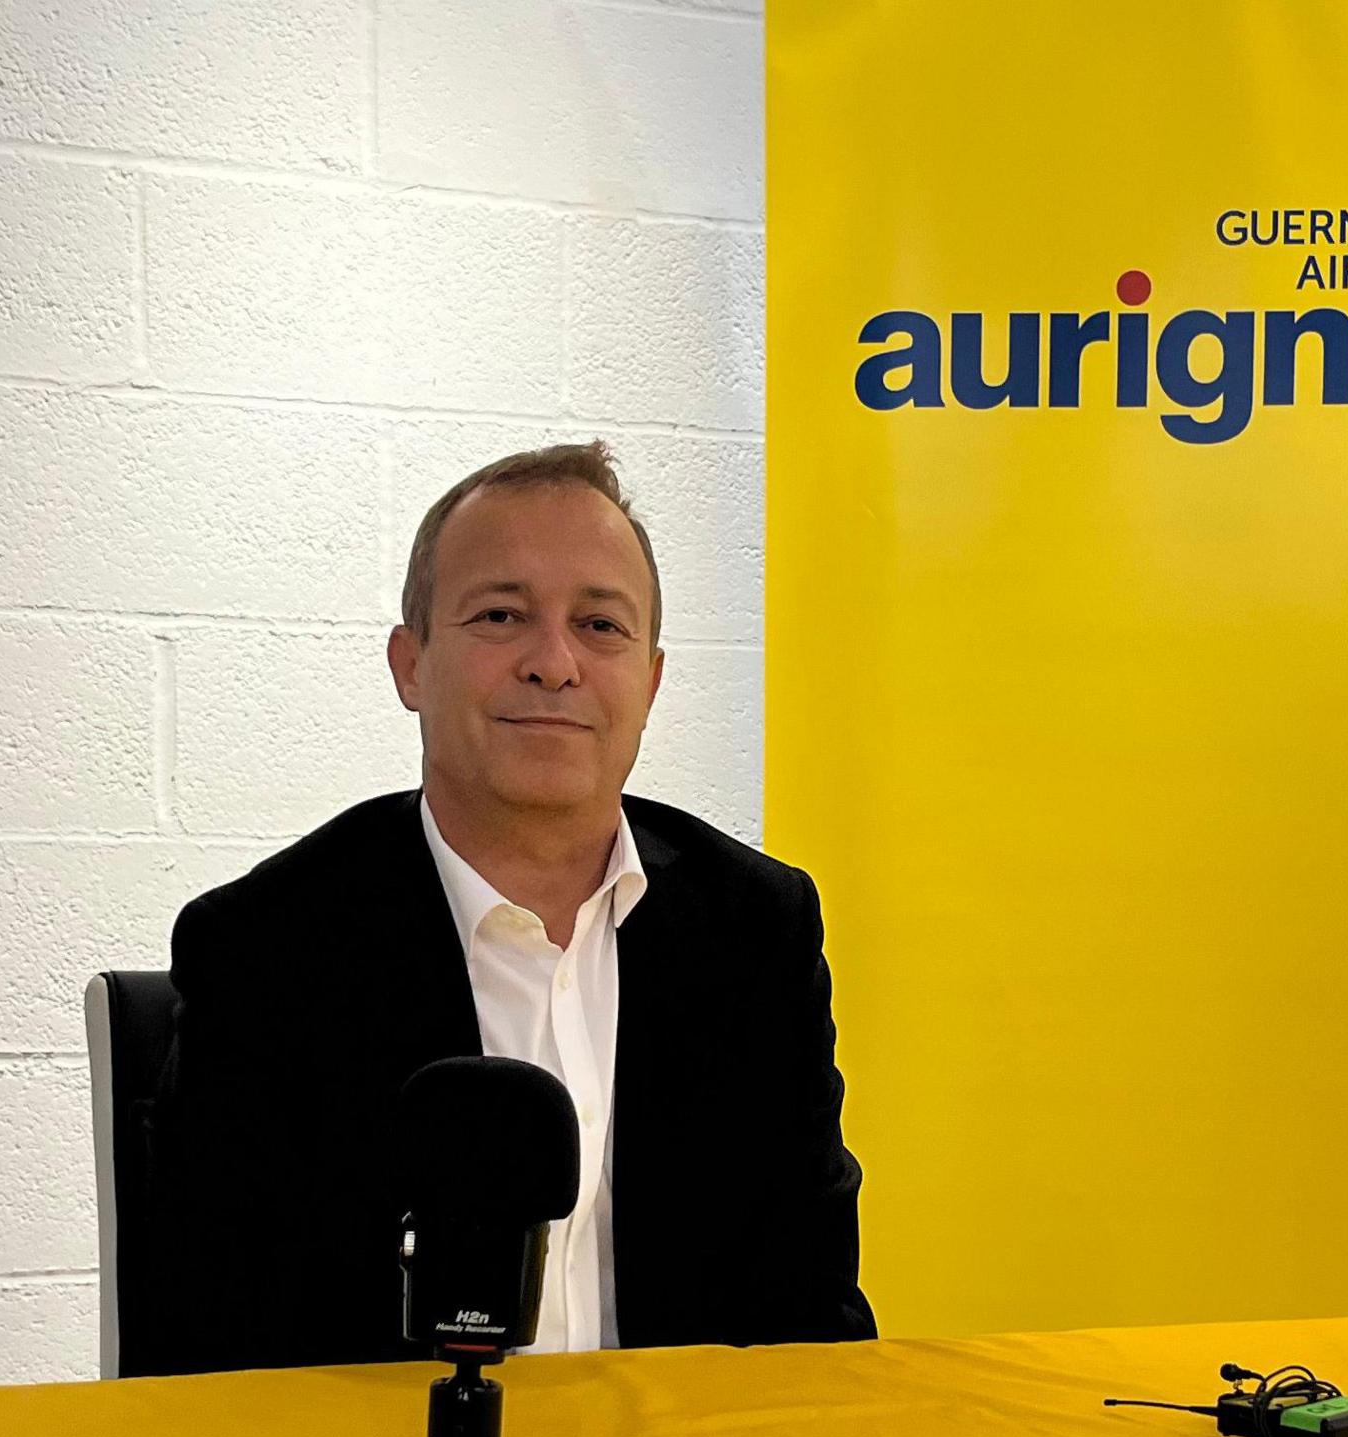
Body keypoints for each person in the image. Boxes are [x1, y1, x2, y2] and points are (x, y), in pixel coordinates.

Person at [143, 443, 872, 1374]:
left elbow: (811, 1311)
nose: (555, 663)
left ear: (650, 683)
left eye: (601, 626)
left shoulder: (754, 930)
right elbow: (213, 1340)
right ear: (412, 665)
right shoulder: (268, 947)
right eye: (502, 615)